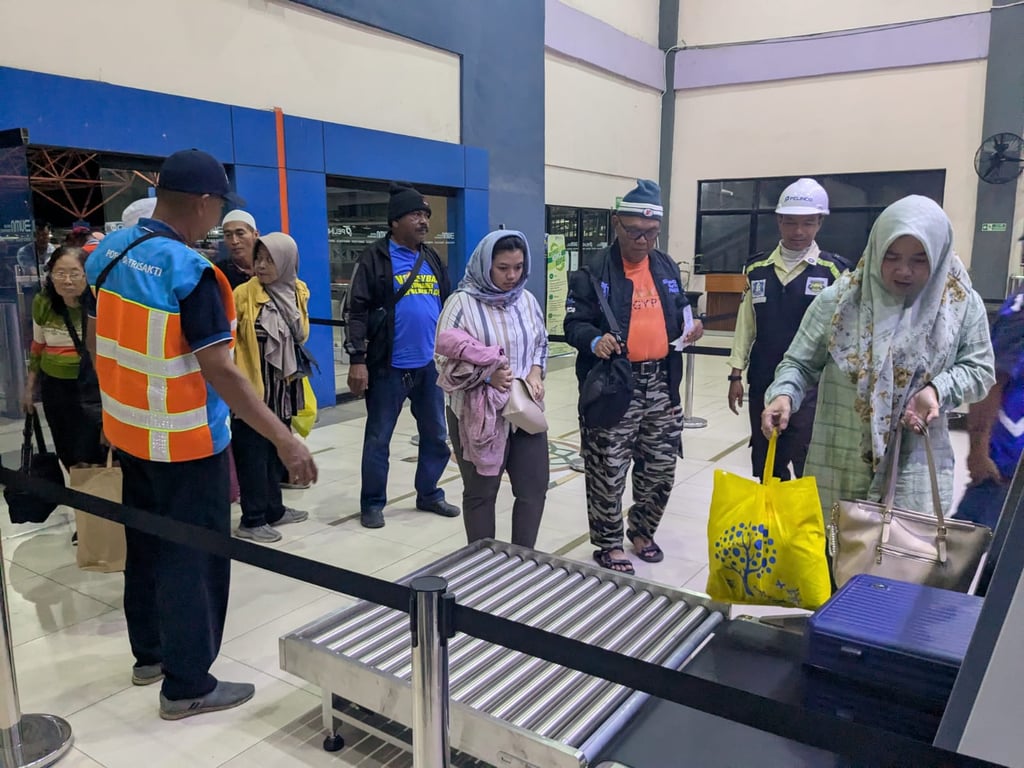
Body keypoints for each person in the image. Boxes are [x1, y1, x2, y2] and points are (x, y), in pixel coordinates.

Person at [85, 149, 318, 720]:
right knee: (194, 560)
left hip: (129, 432)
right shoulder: (190, 272)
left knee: (146, 547)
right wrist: (284, 440)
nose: (218, 221)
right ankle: (187, 684)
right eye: (218, 208)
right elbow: (223, 371)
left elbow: (98, 343)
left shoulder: (110, 252)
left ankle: (150, 656)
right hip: (186, 444)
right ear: (203, 202)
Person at [762, 195, 994, 518]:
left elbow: (980, 369)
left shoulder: (960, 306)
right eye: (891, 256)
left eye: (919, 260)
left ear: (939, 255)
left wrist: (937, 389)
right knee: (833, 545)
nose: (903, 270)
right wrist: (784, 395)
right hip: (839, 466)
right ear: (875, 249)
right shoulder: (840, 301)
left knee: (905, 548)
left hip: (913, 474)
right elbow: (799, 363)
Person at [564, 180, 704, 574]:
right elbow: (573, 324)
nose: (643, 241)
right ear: (616, 223)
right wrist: (595, 340)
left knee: (660, 466)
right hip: (613, 383)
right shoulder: (593, 270)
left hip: (661, 382)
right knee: (607, 468)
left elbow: (681, 309)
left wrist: (693, 325)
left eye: (651, 233)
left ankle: (642, 531)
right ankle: (608, 543)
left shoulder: (666, 266)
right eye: (634, 232)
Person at [344, 182, 460, 529]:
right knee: (378, 439)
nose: (424, 221)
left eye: (426, 215)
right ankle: (372, 503)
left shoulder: (432, 258)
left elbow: (447, 304)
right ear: (394, 221)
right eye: (415, 214)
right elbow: (355, 310)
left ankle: (429, 493)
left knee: (436, 435)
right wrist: (357, 359)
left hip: (429, 367)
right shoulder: (374, 258)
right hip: (387, 367)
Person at [727, 178, 846, 480]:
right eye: (790, 222)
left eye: (808, 223)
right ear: (779, 221)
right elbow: (746, 323)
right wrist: (736, 374)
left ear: (820, 222)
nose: (798, 231)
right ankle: (772, 511)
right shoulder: (757, 269)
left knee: (808, 461)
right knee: (768, 461)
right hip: (764, 378)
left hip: (811, 386)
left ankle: (807, 512)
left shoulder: (835, 272)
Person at [435, 230, 548, 548]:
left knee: (534, 488)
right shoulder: (461, 303)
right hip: (477, 415)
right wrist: (486, 377)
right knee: (481, 493)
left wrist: (536, 372)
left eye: (518, 267)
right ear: (486, 265)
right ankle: (483, 560)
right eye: (503, 268)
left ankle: (523, 557)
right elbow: (442, 359)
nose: (512, 276)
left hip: (524, 410)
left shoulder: (526, 300)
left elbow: (540, 343)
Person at [231, 232, 311, 543]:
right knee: (252, 454)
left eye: (270, 260)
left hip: (283, 387)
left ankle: (273, 509)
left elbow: (300, 334)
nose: (262, 266)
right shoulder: (242, 295)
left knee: (274, 451)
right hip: (252, 390)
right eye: (259, 259)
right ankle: (252, 519)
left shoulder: (297, 291)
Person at [956, 232, 1024, 528]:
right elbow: (992, 380)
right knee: (968, 545)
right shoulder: (1020, 313)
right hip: (1007, 468)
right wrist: (979, 451)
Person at [23, 246, 105, 470]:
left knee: (97, 452)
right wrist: (30, 387)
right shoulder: (43, 301)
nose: (67, 280)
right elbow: (38, 345)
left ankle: (98, 490)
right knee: (67, 450)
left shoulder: (99, 303)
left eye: (74, 273)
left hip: (93, 388)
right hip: (56, 388)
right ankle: (75, 488)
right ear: (50, 275)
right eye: (59, 273)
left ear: (87, 275)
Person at [218, 210, 258, 288]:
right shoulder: (219, 274)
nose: (234, 241)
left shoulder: (269, 268)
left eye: (240, 234)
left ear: (255, 235)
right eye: (228, 235)